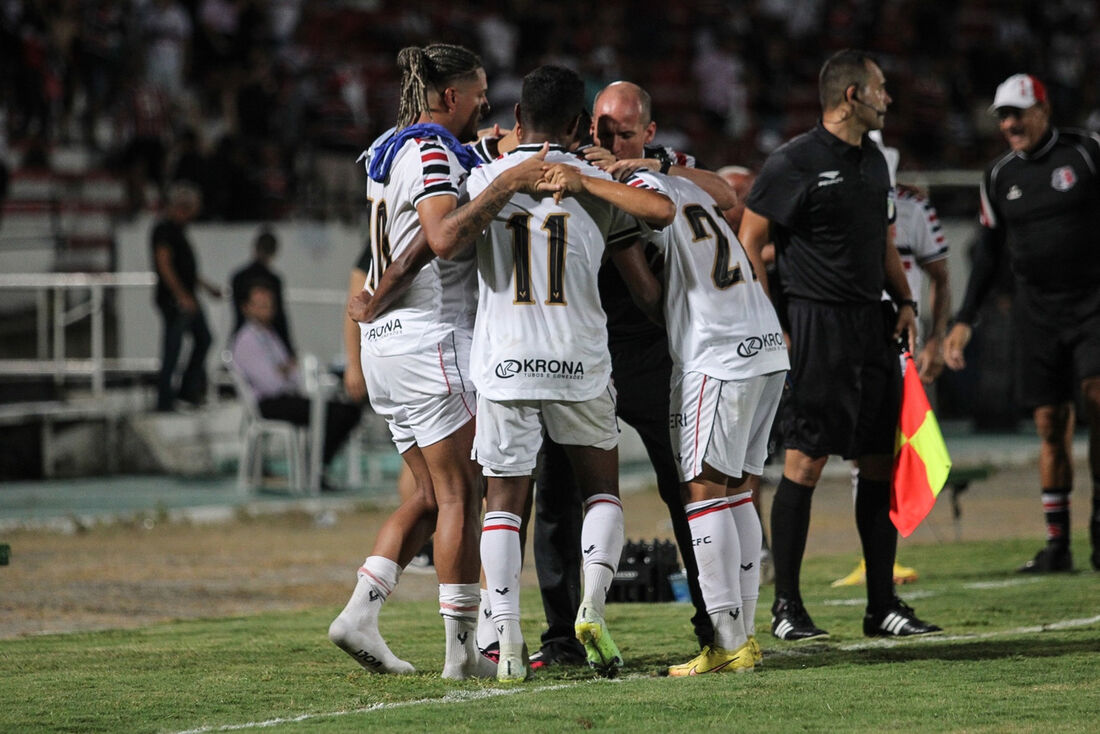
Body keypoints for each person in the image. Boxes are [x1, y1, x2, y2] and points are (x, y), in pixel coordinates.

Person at [328, 43, 545, 681]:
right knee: (461, 493)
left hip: (391, 346)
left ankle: (360, 614)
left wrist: (488, 152)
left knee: (427, 493)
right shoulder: (427, 150)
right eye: (478, 93)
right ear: (450, 96)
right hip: (432, 337)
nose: (487, 105)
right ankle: (462, 652)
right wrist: (507, 181)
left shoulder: (391, 144)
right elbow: (444, 237)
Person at [457, 65, 674, 681]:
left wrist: (497, 155)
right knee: (601, 491)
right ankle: (591, 607)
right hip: (579, 359)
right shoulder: (594, 183)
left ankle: (506, 637)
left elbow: (451, 236)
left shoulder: (483, 177)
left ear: (517, 117)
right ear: (580, 125)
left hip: (505, 361)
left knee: (503, 501)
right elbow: (648, 260)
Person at [527, 81, 731, 670]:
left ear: (648, 131)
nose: (611, 139)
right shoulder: (563, 164)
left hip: (646, 346)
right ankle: (562, 636)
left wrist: (652, 167)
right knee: (558, 493)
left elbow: (728, 194)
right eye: (602, 128)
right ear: (585, 125)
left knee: (686, 483)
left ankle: (713, 622)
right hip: (578, 346)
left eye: (624, 131)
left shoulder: (661, 165)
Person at [739, 49, 941, 640]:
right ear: (851, 95)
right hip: (816, 323)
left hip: (871, 324)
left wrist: (904, 301)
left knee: (878, 461)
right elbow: (750, 237)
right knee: (806, 461)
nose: (888, 98)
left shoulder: (874, 161)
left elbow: (881, 242)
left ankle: (882, 607)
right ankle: (787, 610)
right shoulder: (794, 161)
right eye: (880, 88)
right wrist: (768, 317)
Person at [606, 158, 789, 675]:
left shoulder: (641, 187)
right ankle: (742, 639)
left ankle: (727, 642)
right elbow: (729, 196)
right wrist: (661, 162)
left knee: (704, 490)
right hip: (763, 342)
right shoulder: (683, 178)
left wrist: (587, 182)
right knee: (735, 490)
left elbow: (656, 217)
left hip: (719, 351)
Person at [944, 73, 1100, 573]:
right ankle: (1057, 544)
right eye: (1002, 116)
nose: (1010, 124)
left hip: (1093, 304)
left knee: (1098, 402)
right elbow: (988, 255)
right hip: (1038, 314)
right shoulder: (999, 176)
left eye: (1017, 113)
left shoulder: (1087, 155)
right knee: (1049, 425)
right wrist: (964, 319)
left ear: (1043, 110)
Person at [834, 135, 952, 587]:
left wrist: (935, 340)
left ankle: (883, 557)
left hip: (899, 343)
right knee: (864, 455)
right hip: (853, 339)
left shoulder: (911, 207)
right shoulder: (836, 201)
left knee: (894, 451)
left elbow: (940, 273)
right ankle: (877, 559)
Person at [231, 283, 361, 479]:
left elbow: (293, 373)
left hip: (284, 397)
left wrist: (284, 371)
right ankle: (314, 468)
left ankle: (316, 465)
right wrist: (284, 371)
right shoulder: (246, 340)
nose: (267, 310)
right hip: (269, 403)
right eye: (260, 305)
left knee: (346, 411)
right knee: (335, 413)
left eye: (269, 305)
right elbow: (274, 384)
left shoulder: (270, 335)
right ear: (246, 307)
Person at [151, 182, 220, 412]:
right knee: (172, 349)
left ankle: (187, 390)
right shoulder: (164, 230)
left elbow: (185, 269)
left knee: (204, 339)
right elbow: (165, 265)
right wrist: (182, 295)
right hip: (176, 301)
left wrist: (206, 287)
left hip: (186, 297)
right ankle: (165, 400)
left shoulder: (178, 231)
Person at [230, 229, 293, 353]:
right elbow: (280, 316)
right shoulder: (273, 280)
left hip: (242, 333)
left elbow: (237, 314)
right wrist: (289, 349)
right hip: (263, 339)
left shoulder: (238, 276)